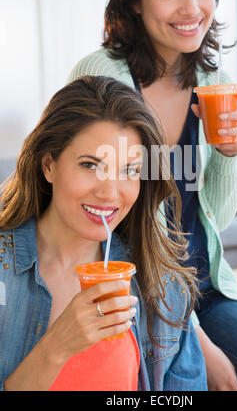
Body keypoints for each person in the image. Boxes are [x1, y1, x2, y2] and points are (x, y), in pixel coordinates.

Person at [68, 0, 237, 391]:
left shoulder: (218, 83)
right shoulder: (99, 78)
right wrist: (196, 337)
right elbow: (108, 221)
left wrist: (230, 158)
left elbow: (217, 215)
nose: (191, 7)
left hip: (209, 288)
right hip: (135, 291)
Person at [0, 75, 208, 391]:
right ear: (49, 165)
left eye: (129, 170)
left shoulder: (162, 285)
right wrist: (56, 346)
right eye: (90, 165)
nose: (111, 193)